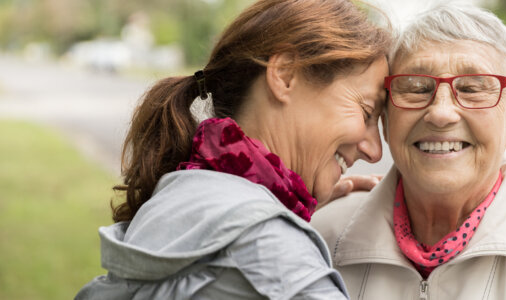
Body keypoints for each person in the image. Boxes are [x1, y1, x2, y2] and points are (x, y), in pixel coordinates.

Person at [311, 3, 506, 299]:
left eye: (473, 88)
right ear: (385, 117)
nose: (440, 114)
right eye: (416, 87)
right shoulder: (322, 236)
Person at [77, 0, 390, 298]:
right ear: (285, 75)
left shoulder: (179, 201)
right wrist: (279, 232)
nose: (374, 150)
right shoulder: (275, 255)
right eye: (366, 112)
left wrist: (281, 217)